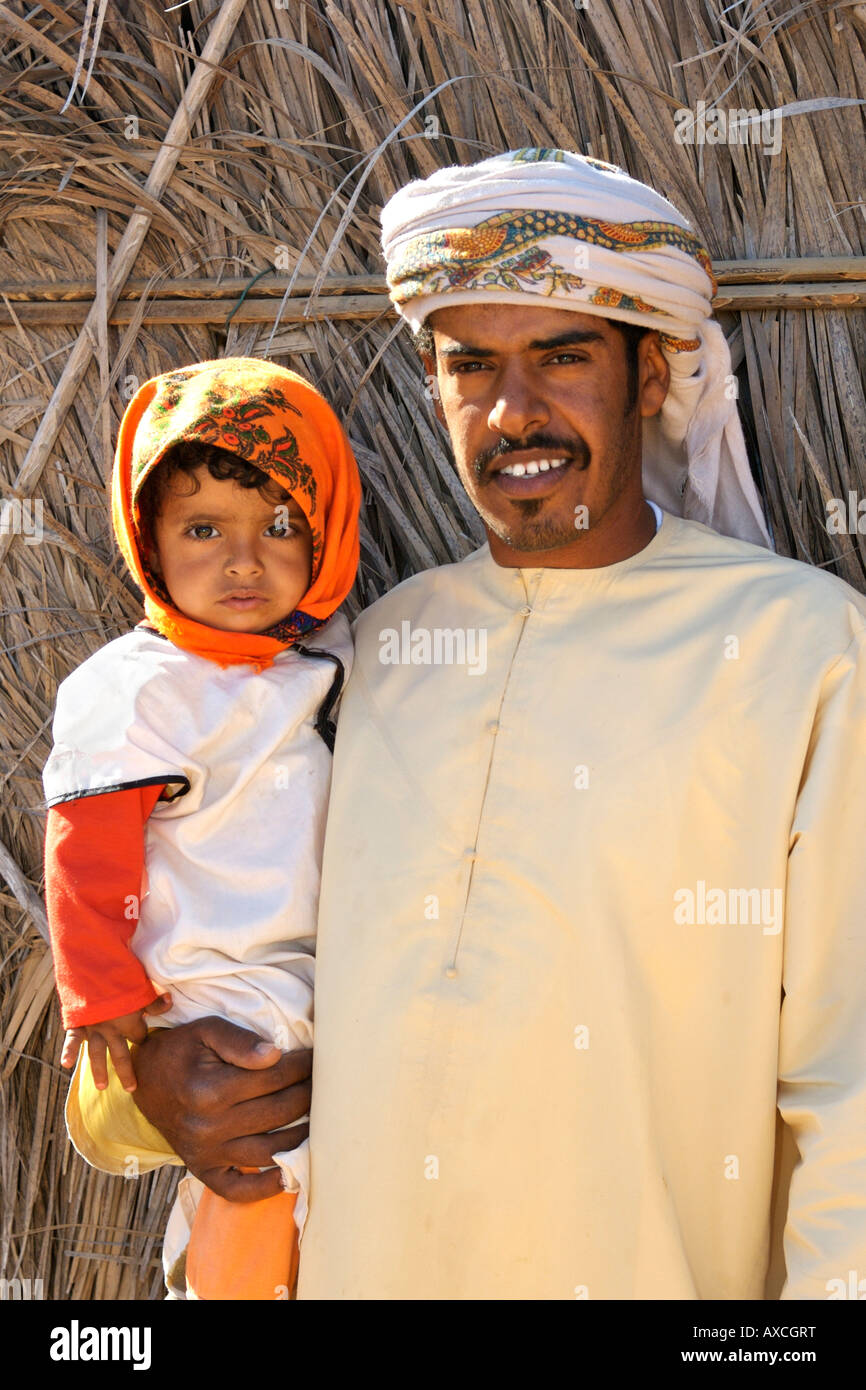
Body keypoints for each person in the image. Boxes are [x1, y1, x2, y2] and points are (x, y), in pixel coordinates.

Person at [65, 151, 866, 1300]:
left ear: (649, 375)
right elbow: (204, 958)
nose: (511, 412)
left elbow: (848, 1088)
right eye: (469, 365)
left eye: (562, 356)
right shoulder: (356, 660)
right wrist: (141, 1098)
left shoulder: (803, 652)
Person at [42, 357, 360, 1298]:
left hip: (304, 971)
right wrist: (99, 997)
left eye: (280, 527)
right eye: (203, 529)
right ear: (148, 540)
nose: (243, 560)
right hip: (217, 984)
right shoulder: (141, 688)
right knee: (258, 1161)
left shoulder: (324, 664)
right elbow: (86, 852)